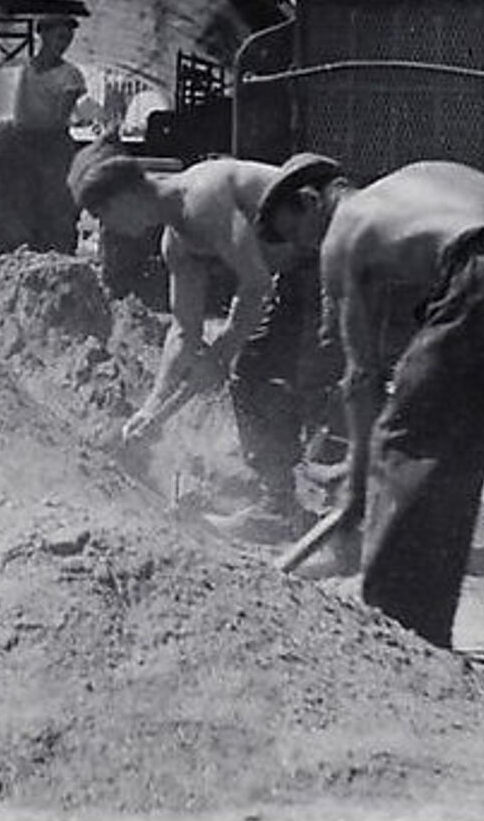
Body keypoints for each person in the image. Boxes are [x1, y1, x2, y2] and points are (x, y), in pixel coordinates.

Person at [254, 155, 484, 672]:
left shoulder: (342, 231)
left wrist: (359, 478)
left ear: (311, 202)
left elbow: (360, 377)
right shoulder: (407, 189)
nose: (307, 252)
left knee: (412, 442)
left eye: (300, 237)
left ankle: (402, 630)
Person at [66, 143, 329, 538]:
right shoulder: (176, 242)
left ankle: (301, 511)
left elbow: (255, 284)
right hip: (294, 273)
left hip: (329, 251)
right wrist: (153, 407)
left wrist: (221, 353)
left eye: (104, 214)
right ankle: (284, 501)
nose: (108, 227)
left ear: (127, 198)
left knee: (273, 371)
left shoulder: (202, 199)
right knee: (257, 368)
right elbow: (184, 331)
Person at [7, 13, 90, 254]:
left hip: (52, 146)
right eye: (60, 37)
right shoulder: (22, 69)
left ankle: (60, 258)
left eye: (69, 39)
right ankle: (25, 255)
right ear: (42, 35)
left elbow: (57, 119)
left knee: (57, 208)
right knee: (22, 206)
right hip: (22, 144)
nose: (65, 44)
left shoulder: (70, 75)